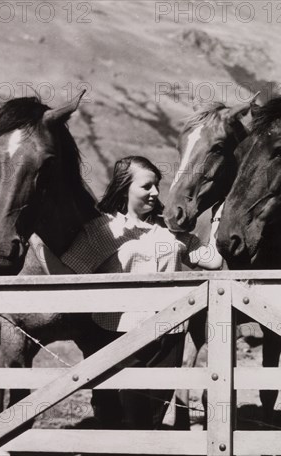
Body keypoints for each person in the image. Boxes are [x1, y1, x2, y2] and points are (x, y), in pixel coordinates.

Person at [39, 155, 223, 429]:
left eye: (157, 186)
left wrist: (220, 215)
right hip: (116, 336)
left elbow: (214, 260)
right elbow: (68, 273)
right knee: (118, 416)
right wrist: (37, 243)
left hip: (168, 336)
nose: (155, 193)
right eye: (147, 186)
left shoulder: (169, 231)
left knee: (151, 417)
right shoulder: (103, 230)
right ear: (124, 187)